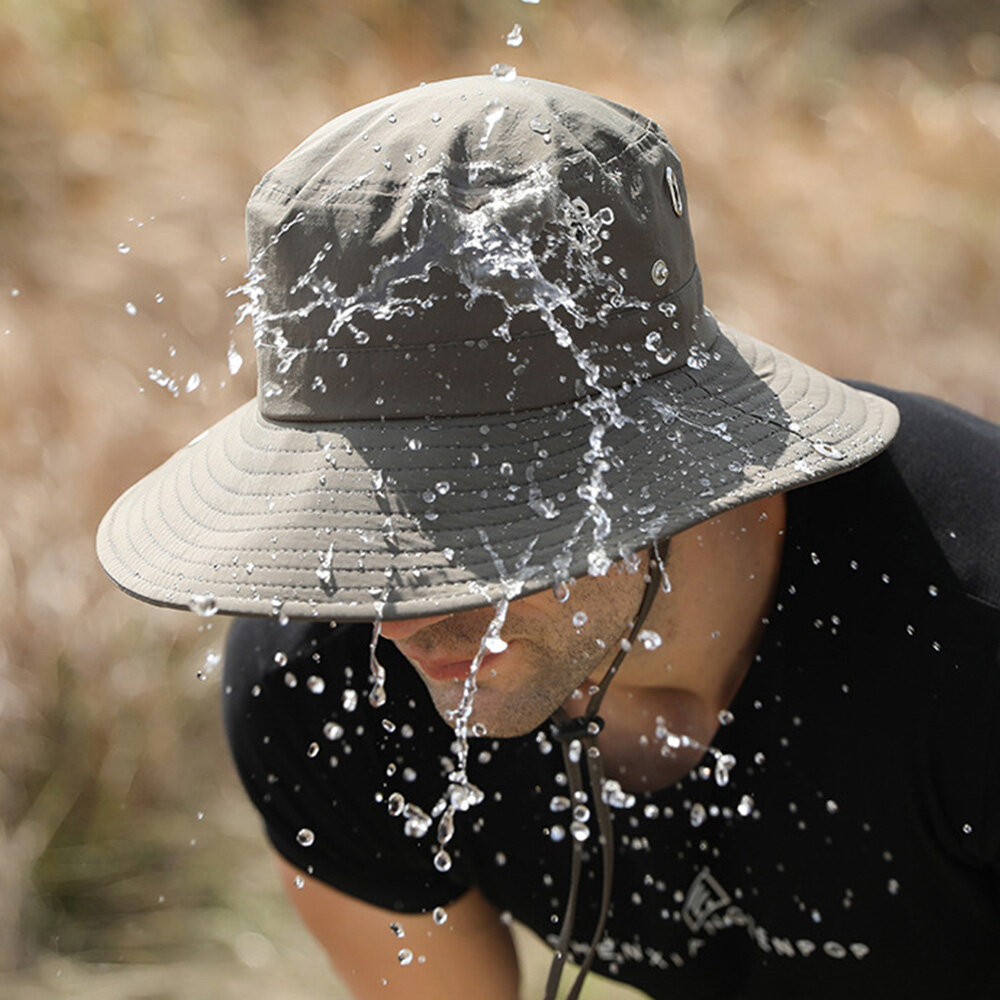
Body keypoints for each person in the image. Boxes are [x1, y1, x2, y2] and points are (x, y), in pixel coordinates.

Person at [97, 76, 1000, 999]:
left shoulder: (971, 621)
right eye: (368, 537)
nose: (401, 619)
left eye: (472, 536)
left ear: (661, 458)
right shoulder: (326, 676)